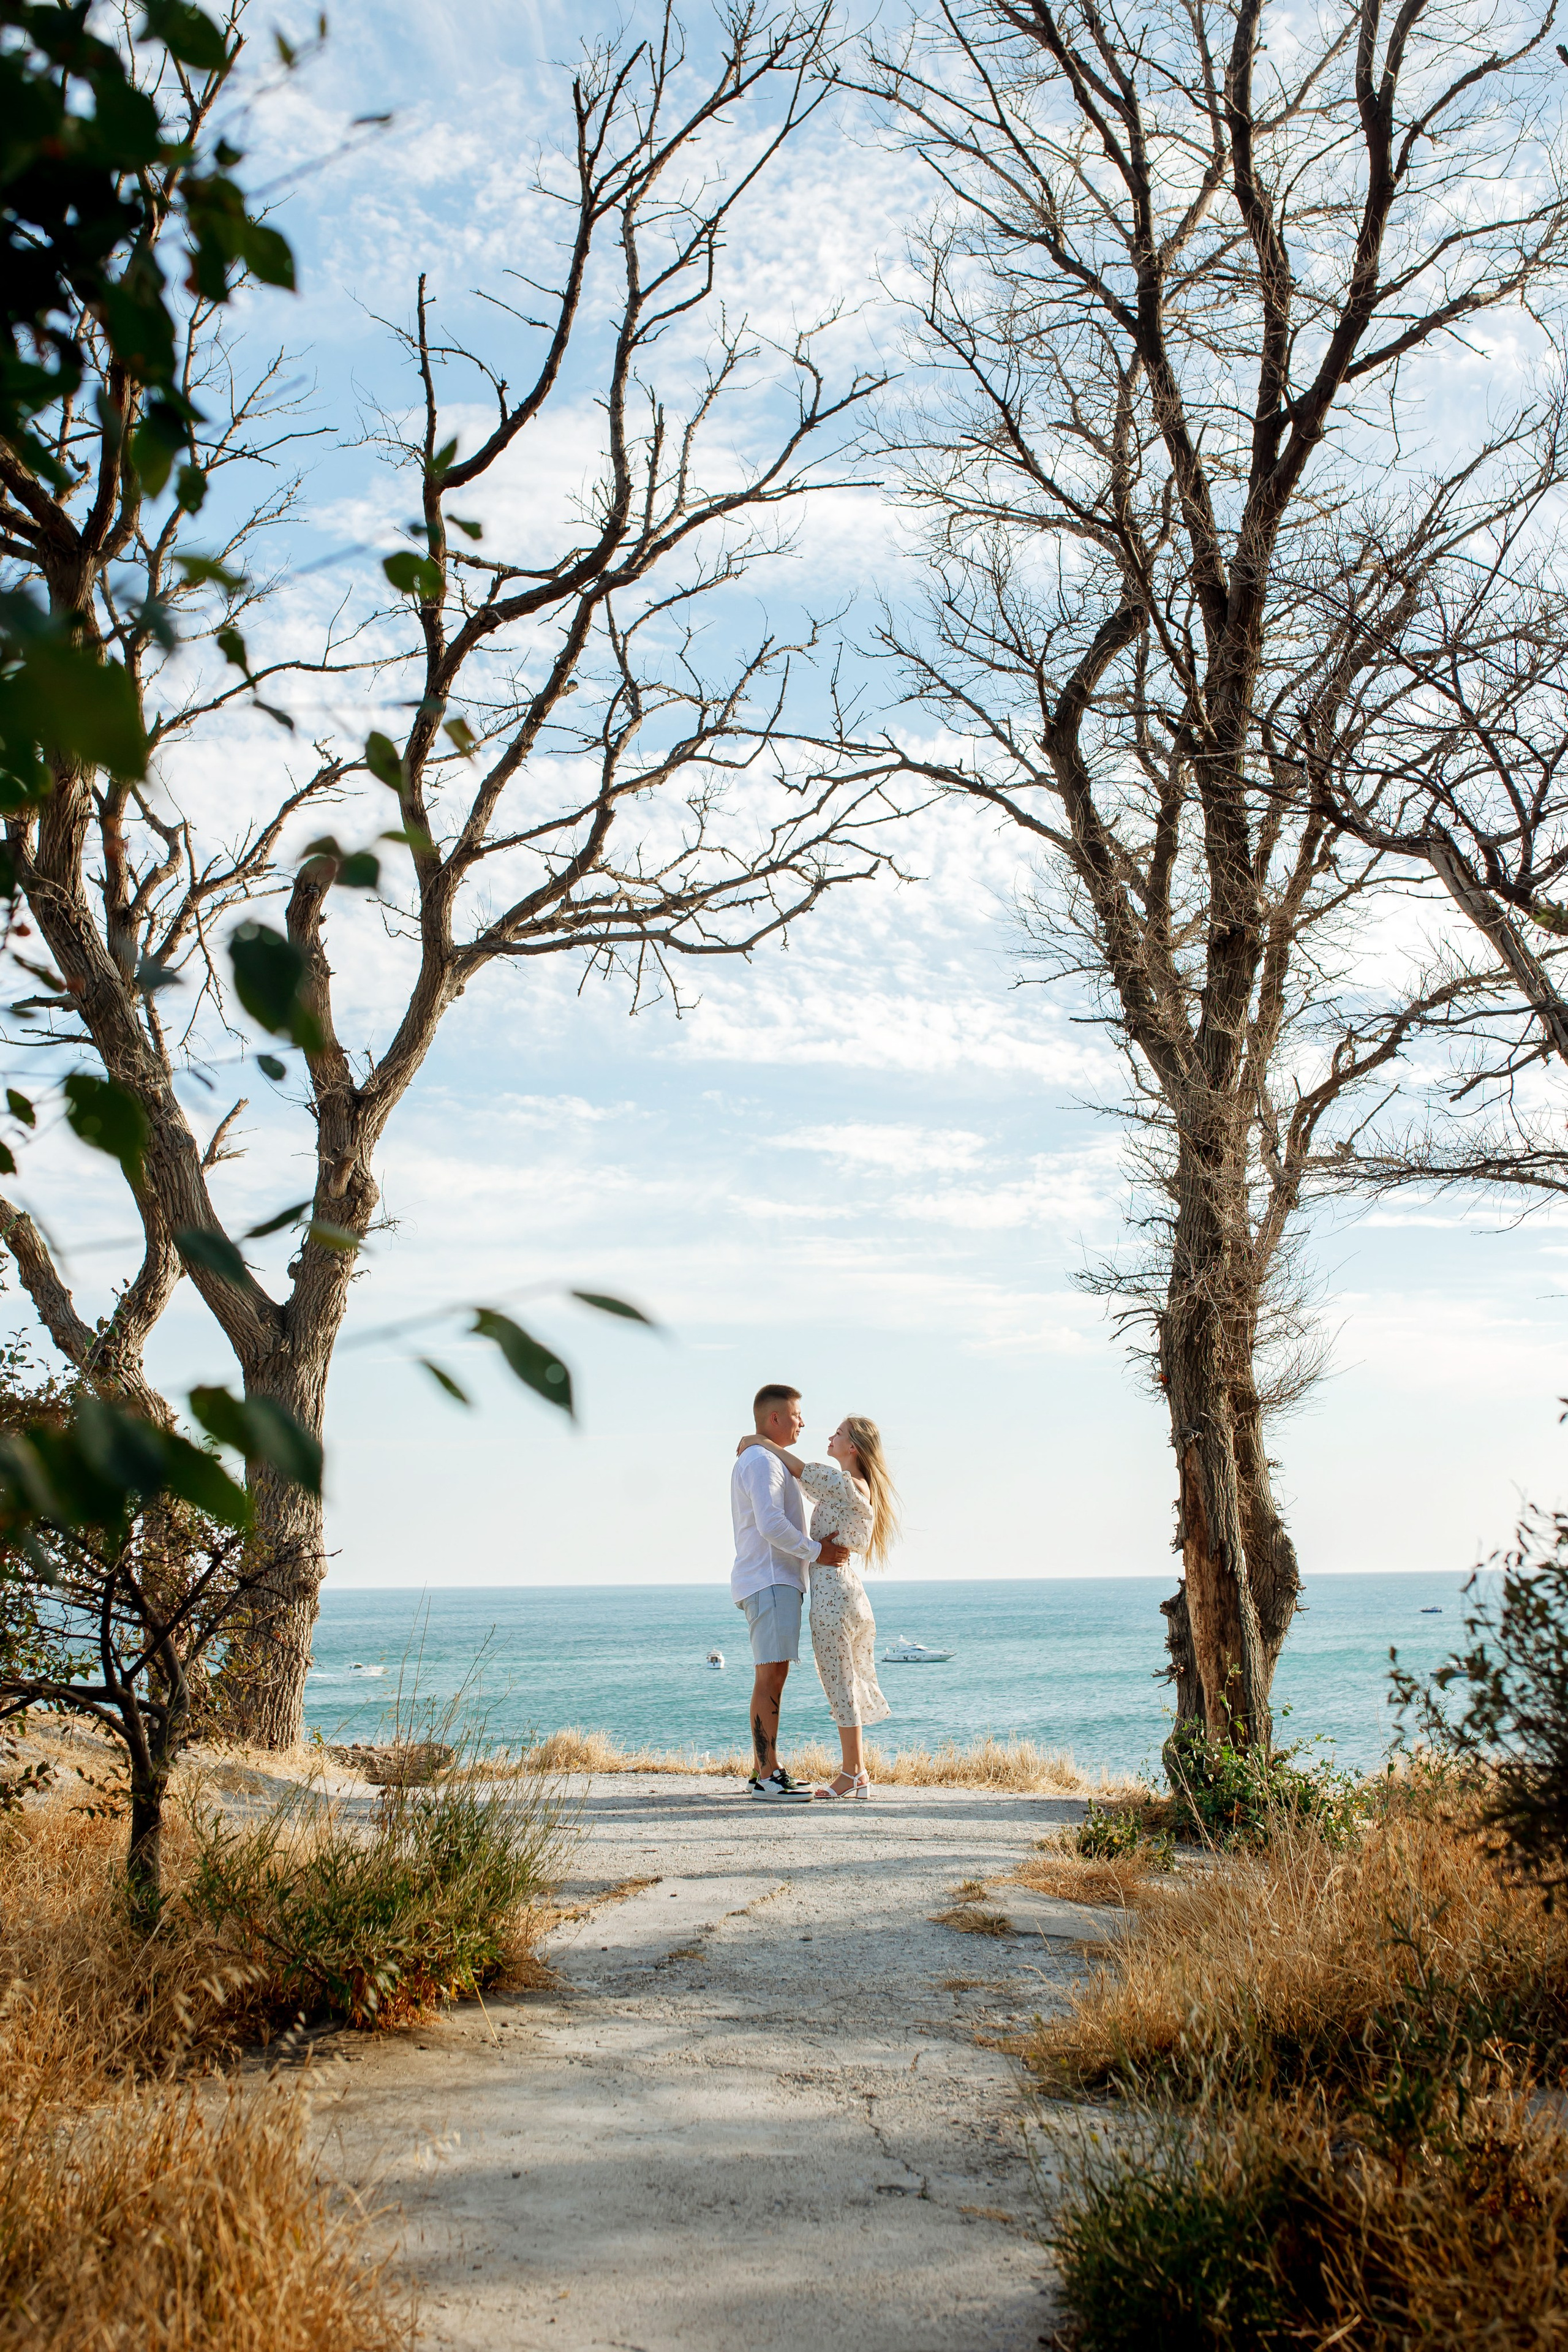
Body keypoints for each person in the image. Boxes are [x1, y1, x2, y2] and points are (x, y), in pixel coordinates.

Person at [736, 1414, 897, 1799]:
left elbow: (799, 1469)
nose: (829, 1435)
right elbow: (801, 1482)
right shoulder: (848, 1488)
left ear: (854, 1447)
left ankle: (852, 1773)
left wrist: (759, 1440)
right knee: (846, 1679)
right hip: (841, 1591)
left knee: (839, 1682)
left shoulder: (844, 1483)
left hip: (833, 1594)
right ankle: (856, 1772)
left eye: (838, 1434)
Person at [730, 1384, 850, 1800]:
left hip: (773, 1580)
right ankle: (768, 1775)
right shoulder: (762, 1462)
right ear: (775, 1418)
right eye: (797, 1415)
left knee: (773, 1674)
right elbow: (770, 1524)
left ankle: (764, 1771)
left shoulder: (763, 1457)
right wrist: (819, 1552)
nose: (803, 1421)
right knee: (770, 1674)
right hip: (770, 1579)